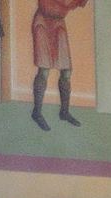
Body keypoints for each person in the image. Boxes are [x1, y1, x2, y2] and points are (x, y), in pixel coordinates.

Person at [30, 0, 87, 131]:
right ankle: (36, 112)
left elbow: (80, 3)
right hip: (43, 22)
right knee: (44, 69)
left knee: (66, 71)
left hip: (59, 23)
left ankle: (64, 112)